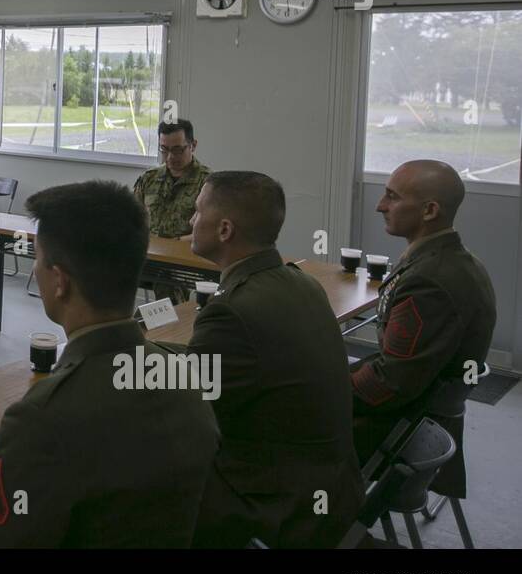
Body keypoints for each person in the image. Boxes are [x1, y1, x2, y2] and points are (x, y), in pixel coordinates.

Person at [0, 181, 218, 548]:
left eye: (37, 259)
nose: (34, 269)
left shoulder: (39, 420)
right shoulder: (187, 376)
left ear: (60, 281)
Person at [181, 171, 363, 548]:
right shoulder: (304, 283)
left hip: (273, 502)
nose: (190, 221)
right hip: (332, 487)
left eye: (198, 212)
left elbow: (185, 413)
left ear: (225, 230)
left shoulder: (231, 311)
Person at [352, 161, 496, 499]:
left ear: (430, 210)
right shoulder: (455, 260)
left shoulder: (429, 281)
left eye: (392, 197)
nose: (380, 206)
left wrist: (325, 388)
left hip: (396, 423)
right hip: (419, 407)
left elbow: (389, 384)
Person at [133, 119, 211, 304]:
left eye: (177, 150)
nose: (169, 157)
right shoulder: (149, 178)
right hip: (149, 255)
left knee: (168, 281)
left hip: (185, 261)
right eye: (164, 150)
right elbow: (131, 220)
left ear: (193, 145)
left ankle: (171, 330)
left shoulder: (208, 183)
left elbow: (208, 232)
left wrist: (172, 244)